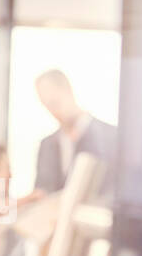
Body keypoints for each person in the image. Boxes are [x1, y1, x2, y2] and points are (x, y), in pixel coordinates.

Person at [13, 69, 117, 208]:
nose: (53, 111)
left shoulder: (112, 137)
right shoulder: (46, 145)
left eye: (55, 102)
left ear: (68, 90)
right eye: (47, 105)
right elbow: (42, 190)